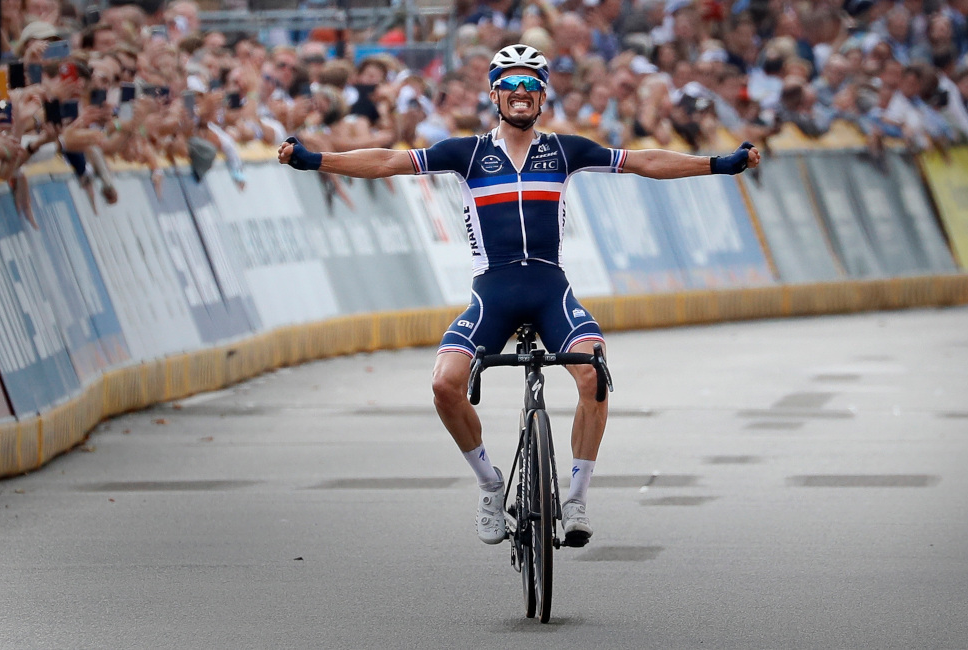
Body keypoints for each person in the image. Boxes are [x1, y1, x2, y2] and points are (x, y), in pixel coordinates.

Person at [277, 44, 760, 546]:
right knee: (445, 384)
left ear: (544, 96)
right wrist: (315, 159)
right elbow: (386, 161)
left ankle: (575, 500)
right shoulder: (465, 153)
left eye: (532, 84)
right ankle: (490, 486)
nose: (522, 92)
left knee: (595, 374)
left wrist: (718, 164)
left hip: (551, 290)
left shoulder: (566, 150)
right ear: (495, 94)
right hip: (494, 294)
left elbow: (645, 161)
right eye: (511, 83)